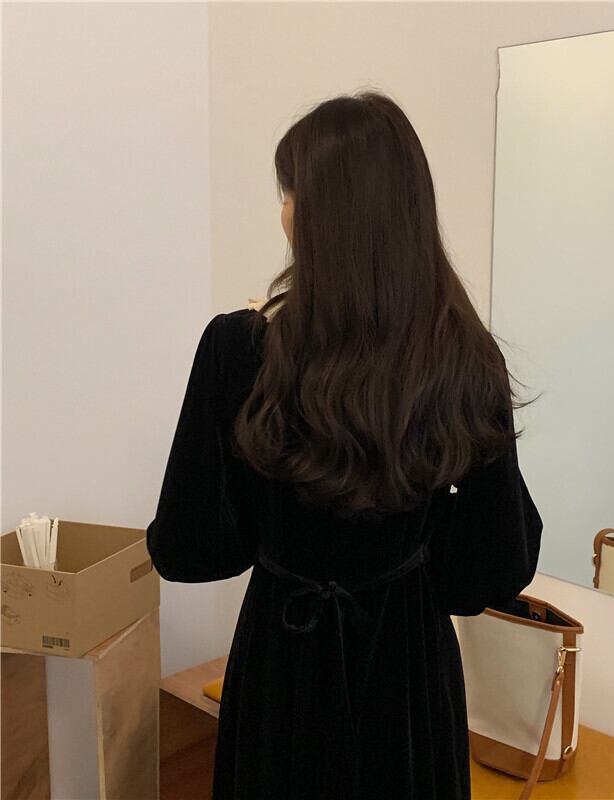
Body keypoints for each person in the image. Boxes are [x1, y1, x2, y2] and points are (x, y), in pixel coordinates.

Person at [146, 90, 543, 799]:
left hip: (283, 666)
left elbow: (188, 548)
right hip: (408, 676)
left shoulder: (238, 349)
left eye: (290, 193)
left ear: (319, 216)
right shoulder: (464, 360)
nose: (283, 212)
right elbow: (488, 570)